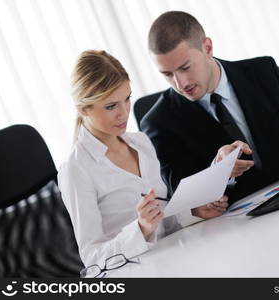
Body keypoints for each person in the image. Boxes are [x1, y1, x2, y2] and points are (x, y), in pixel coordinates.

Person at [58, 50, 229, 270]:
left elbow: (164, 223)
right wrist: (140, 229)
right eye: (111, 106)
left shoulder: (141, 143)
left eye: (127, 99)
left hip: (174, 261)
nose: (124, 112)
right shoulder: (76, 169)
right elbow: (92, 258)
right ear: (83, 109)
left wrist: (194, 212)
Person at [141, 11, 279, 203]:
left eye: (185, 68)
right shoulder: (158, 122)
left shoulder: (264, 72)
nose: (180, 84)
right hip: (232, 224)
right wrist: (217, 171)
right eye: (167, 74)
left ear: (207, 48)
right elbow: (178, 196)